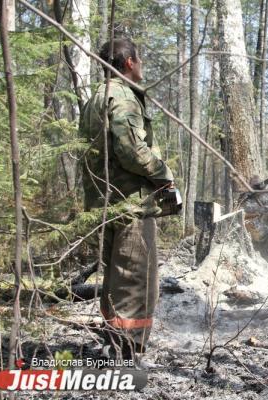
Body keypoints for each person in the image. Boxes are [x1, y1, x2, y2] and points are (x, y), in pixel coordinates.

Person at [79, 38, 175, 357]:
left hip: (104, 203)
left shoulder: (95, 98)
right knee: (137, 279)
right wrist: (164, 173)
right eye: (140, 59)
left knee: (114, 277)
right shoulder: (122, 96)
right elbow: (132, 151)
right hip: (130, 203)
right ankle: (126, 349)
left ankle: (114, 341)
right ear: (130, 63)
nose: (142, 64)